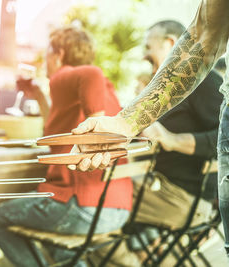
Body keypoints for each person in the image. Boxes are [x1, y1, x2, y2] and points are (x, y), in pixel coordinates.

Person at [68, 0, 229, 258]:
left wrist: (171, 139)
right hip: (166, 189)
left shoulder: (206, 83)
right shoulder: (171, 89)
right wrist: (126, 124)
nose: (143, 56)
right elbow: (203, 39)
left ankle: (128, 257)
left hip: (184, 198)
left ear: (169, 43)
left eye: (148, 48)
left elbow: (218, 139)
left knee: (99, 201)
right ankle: (143, 251)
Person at [0, 27, 135, 267]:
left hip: (82, 207)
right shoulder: (105, 89)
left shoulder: (65, 75)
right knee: (58, 247)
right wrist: (38, 95)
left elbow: (92, 74)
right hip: (116, 210)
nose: (45, 61)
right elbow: (55, 130)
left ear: (58, 54)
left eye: (47, 53)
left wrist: (94, 129)